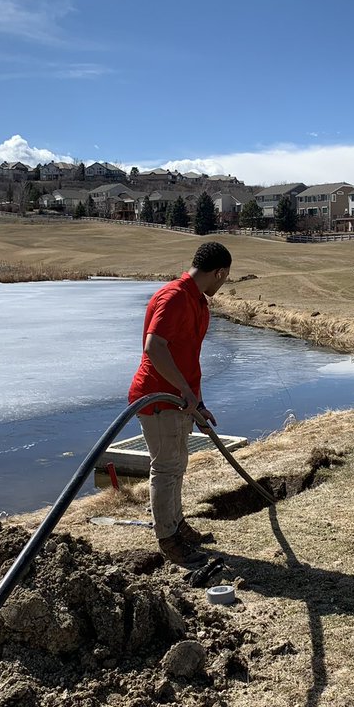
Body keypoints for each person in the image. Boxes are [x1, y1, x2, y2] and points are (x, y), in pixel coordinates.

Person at [128, 241, 232, 567]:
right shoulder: (174, 298)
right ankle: (168, 540)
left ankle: (177, 525)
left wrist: (197, 402)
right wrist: (185, 392)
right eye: (224, 278)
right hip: (158, 397)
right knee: (165, 467)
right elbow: (154, 348)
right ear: (219, 272)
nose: (223, 283)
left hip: (179, 398)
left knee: (177, 465)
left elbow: (188, 358)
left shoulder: (197, 301)